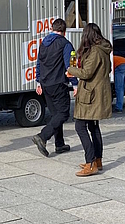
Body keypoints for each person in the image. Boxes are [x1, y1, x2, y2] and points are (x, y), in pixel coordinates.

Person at [67, 23, 112, 177]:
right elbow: (108, 69)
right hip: (99, 93)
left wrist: (71, 70)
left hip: (91, 94)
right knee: (94, 127)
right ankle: (97, 160)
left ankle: (90, 162)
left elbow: (86, 73)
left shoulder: (94, 52)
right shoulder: (104, 50)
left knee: (80, 126)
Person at [31, 18, 76, 157]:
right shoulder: (65, 44)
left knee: (56, 114)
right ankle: (43, 136)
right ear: (64, 31)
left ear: (52, 29)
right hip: (58, 84)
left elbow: (39, 63)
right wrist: (75, 84)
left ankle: (60, 144)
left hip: (45, 84)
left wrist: (38, 82)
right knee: (63, 114)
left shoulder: (43, 44)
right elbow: (70, 66)